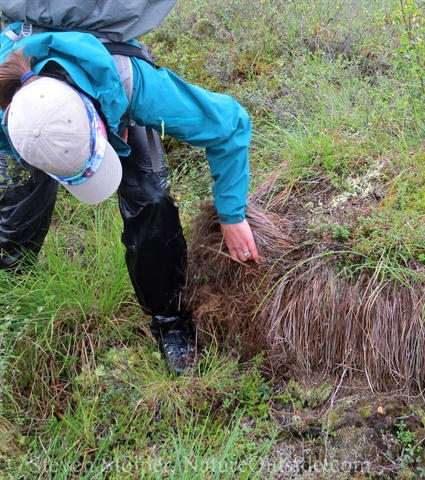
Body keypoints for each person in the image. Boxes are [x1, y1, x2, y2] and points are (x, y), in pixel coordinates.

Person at [0, 22, 260, 375]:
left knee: (151, 202)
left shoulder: (131, 82)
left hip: (109, 93)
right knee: (16, 215)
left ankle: (170, 322)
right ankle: (11, 296)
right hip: (25, 128)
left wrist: (232, 215)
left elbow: (229, 125)